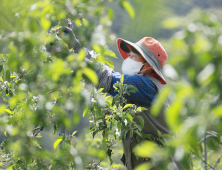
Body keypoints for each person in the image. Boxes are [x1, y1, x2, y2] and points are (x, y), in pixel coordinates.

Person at [48, 23, 185, 170]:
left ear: (147, 65)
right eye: (129, 55)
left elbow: (108, 79)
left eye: (134, 56)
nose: (129, 58)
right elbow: (104, 75)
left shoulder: (147, 86)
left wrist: (69, 56)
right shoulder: (142, 87)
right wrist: (76, 48)